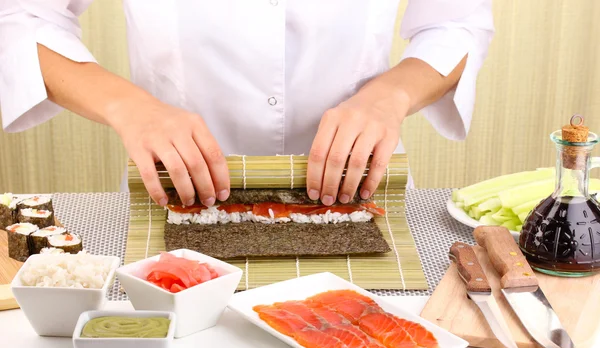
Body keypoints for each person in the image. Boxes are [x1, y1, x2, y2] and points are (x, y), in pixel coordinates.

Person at [0, 1, 494, 207]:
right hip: (178, 185)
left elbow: (454, 22)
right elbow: (22, 16)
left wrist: (392, 95)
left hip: (353, 183)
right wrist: (128, 106)